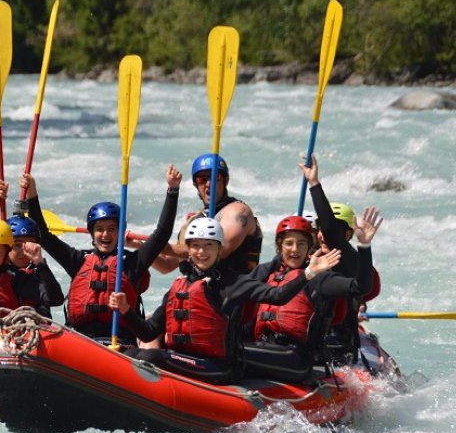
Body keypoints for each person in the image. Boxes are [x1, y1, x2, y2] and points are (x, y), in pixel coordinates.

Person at [110, 217, 341, 384]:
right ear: (188, 251)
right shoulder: (179, 286)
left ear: (219, 250)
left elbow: (277, 296)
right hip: (187, 358)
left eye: (209, 245)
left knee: (150, 356)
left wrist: (308, 273)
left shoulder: (234, 283)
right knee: (131, 354)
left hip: (219, 368)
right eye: (196, 246)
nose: (202, 252)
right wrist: (126, 311)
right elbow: (149, 332)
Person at [22, 164, 182, 344]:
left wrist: (172, 190)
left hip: (119, 343)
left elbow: (161, 234)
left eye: (112, 229)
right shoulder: (78, 260)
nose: (105, 234)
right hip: (80, 341)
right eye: (100, 229)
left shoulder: (132, 263)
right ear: (92, 233)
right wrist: (32, 195)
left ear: (121, 232)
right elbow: (43, 236)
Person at [242, 213, 379, 382]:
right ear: (280, 246)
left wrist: (364, 246)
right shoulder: (267, 272)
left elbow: (361, 286)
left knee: (234, 353)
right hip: (263, 346)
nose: (295, 249)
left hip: (296, 357)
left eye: (301, 244)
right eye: (289, 243)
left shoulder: (320, 278)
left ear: (309, 248)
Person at [299, 155, 382, 359]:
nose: (322, 235)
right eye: (318, 229)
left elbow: (329, 229)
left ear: (346, 235)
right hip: (308, 339)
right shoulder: (310, 256)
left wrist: (314, 184)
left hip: (338, 347)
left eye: (330, 231)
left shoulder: (350, 258)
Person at [150, 153, 263, 276]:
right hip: (198, 291)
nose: (209, 184)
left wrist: (163, 247)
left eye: (216, 177)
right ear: (195, 185)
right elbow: (167, 265)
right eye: (202, 179)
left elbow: (220, 250)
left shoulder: (238, 212)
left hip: (235, 290)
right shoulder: (193, 221)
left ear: (226, 180)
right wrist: (142, 247)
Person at [0, 179, 65, 317]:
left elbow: (56, 299)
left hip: (31, 332)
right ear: (6, 247)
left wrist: (40, 263)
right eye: (17, 245)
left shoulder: (37, 276)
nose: (24, 251)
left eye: (29, 244)